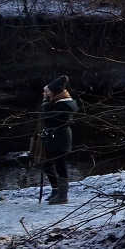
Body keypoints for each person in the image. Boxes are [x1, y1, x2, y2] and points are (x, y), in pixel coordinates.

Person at [37, 75, 78, 204]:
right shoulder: (58, 103)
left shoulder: (64, 105)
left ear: (55, 92)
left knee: (60, 165)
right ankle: (56, 190)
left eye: (47, 91)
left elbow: (48, 118)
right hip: (55, 138)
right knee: (47, 163)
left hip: (60, 139)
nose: (45, 93)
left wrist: (45, 102)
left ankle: (62, 195)